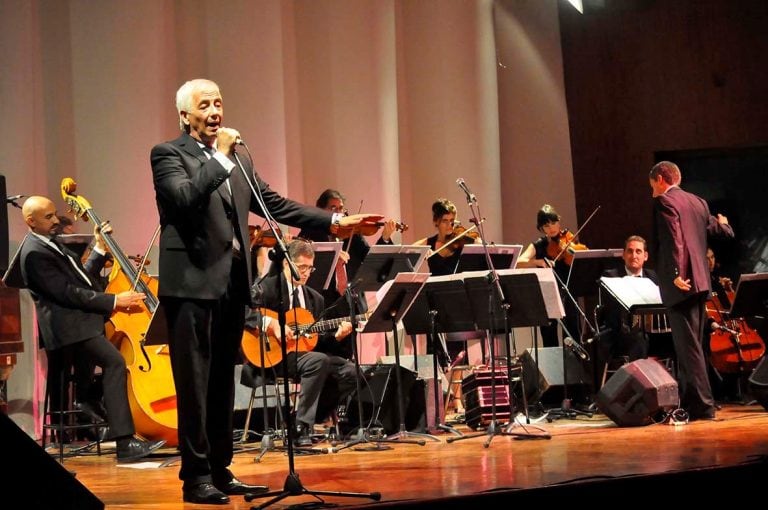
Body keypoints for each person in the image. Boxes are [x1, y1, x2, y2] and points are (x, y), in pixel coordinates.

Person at [150, 78, 380, 504]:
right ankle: (195, 477)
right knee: (195, 383)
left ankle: (220, 470)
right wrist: (219, 157)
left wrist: (332, 223)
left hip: (230, 286)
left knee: (220, 381)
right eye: (205, 105)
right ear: (185, 115)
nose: (216, 110)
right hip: (191, 286)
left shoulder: (236, 163)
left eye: (219, 101)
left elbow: (274, 203)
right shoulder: (168, 155)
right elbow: (183, 198)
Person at [19, 196, 165, 462]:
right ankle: (124, 442)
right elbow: (67, 293)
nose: (55, 221)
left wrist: (98, 247)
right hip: (67, 329)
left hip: (81, 324)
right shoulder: (34, 253)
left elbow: (83, 279)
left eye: (54, 215)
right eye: (48, 217)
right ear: (31, 221)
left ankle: (108, 422)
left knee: (113, 364)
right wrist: (114, 301)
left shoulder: (49, 244)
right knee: (116, 363)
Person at [245, 239, 359, 446]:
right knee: (318, 361)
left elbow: (318, 342)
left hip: (306, 357)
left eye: (310, 268)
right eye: (302, 267)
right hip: (273, 357)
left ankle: (298, 419)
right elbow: (243, 314)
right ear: (287, 264)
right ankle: (301, 428)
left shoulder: (315, 299)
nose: (306, 273)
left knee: (351, 371)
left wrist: (337, 336)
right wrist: (270, 324)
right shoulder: (267, 288)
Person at [649, 161, 734, 421]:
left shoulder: (665, 202)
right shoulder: (698, 202)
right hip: (700, 283)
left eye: (652, 185)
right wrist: (725, 224)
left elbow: (674, 238)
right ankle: (691, 401)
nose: (652, 191)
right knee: (693, 346)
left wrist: (676, 274)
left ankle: (703, 406)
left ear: (662, 179)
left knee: (688, 349)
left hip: (683, 284)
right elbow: (723, 232)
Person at [297, 188, 397, 359]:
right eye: (333, 208)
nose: (339, 213)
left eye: (341, 208)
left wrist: (385, 238)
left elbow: (371, 259)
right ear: (321, 211)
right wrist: (332, 255)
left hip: (348, 302)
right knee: (325, 354)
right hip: (324, 303)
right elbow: (301, 253)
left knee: (347, 357)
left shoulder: (352, 234)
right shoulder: (311, 231)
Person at [517, 204, 583, 348]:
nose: (551, 228)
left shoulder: (568, 240)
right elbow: (519, 262)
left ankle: (574, 367)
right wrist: (538, 261)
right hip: (547, 295)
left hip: (568, 293)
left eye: (554, 223)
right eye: (546, 225)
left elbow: (581, 256)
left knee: (573, 336)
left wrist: (570, 250)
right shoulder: (539, 245)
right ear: (541, 228)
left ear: (559, 222)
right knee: (549, 338)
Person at [597, 235, 660, 381]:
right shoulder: (611, 276)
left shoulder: (653, 276)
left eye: (638, 252)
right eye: (630, 251)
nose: (634, 255)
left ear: (646, 256)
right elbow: (611, 312)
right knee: (639, 339)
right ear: (623, 255)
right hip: (618, 332)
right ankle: (639, 390)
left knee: (678, 339)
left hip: (651, 332)